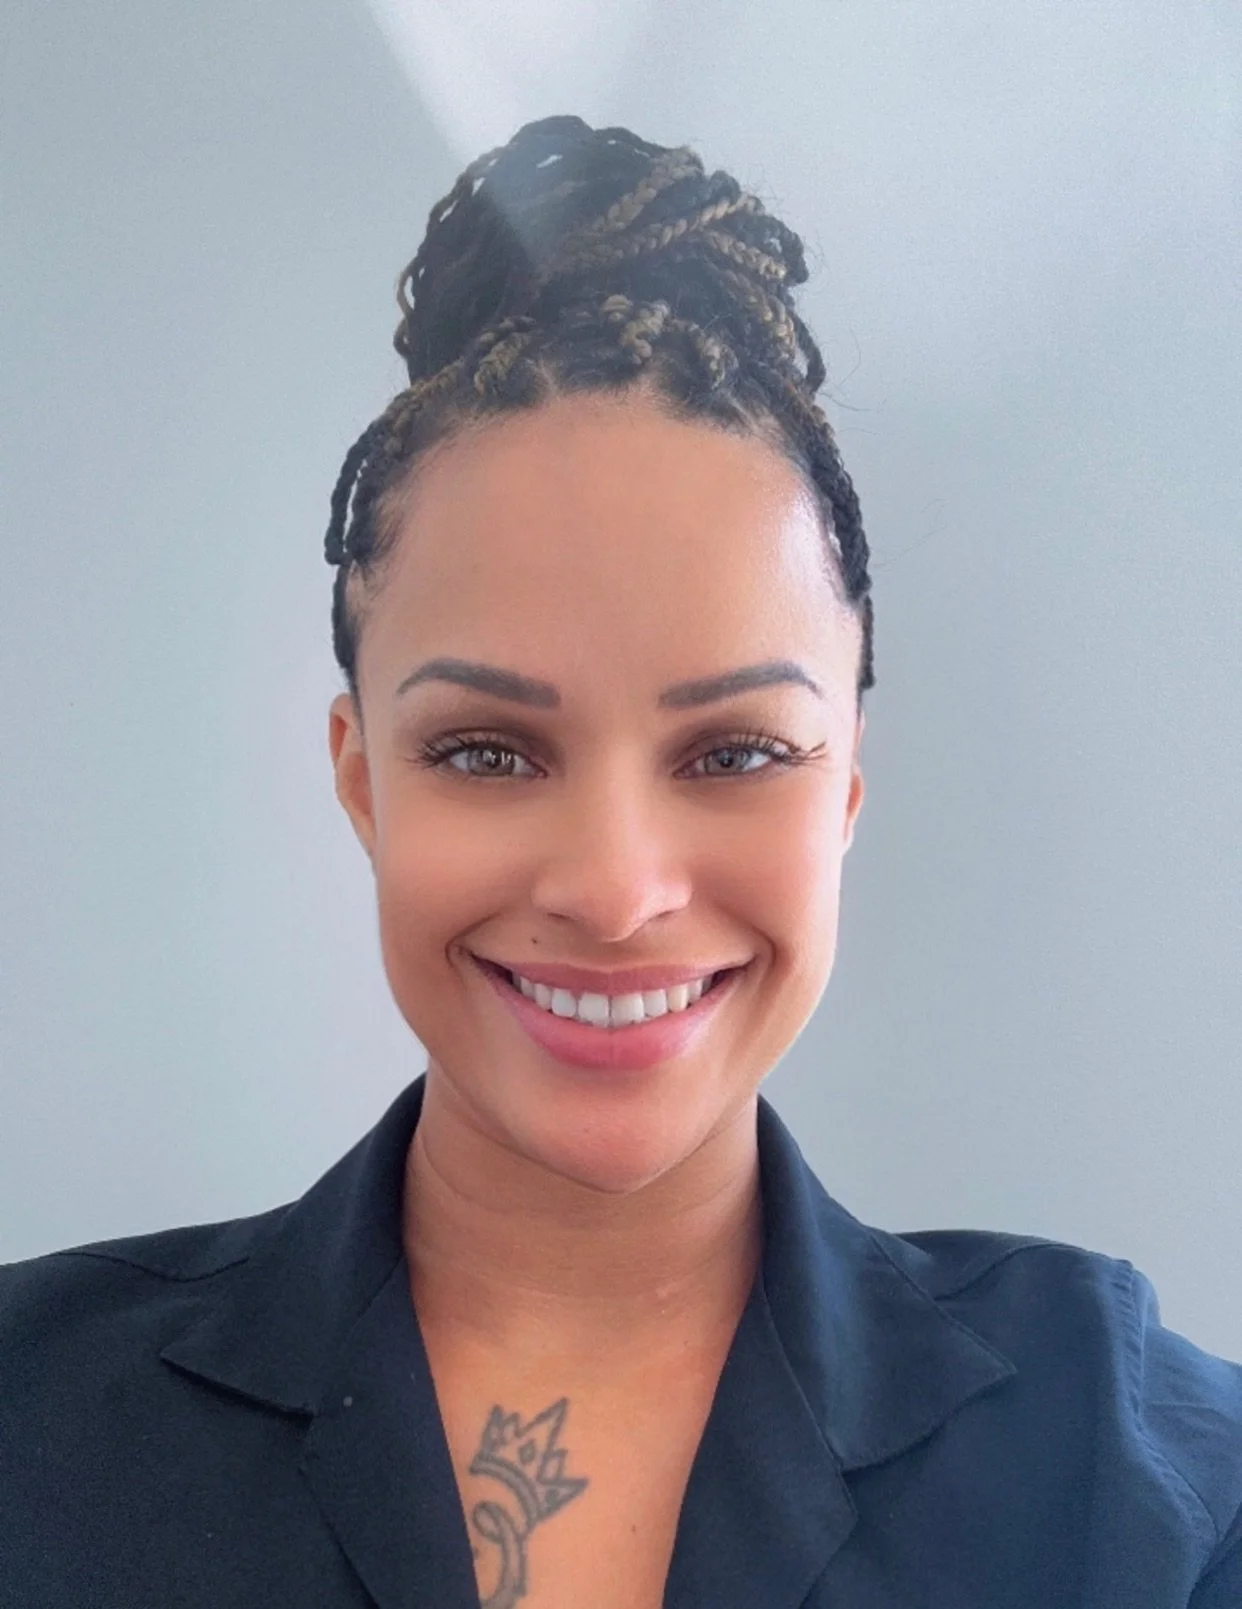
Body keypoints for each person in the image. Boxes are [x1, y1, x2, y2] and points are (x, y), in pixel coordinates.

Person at [1, 113, 1239, 1609]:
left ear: (841, 790)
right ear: (361, 782)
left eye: (732, 756)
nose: (611, 886)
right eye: (485, 752)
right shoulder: (34, 1431)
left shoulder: (1131, 1475)